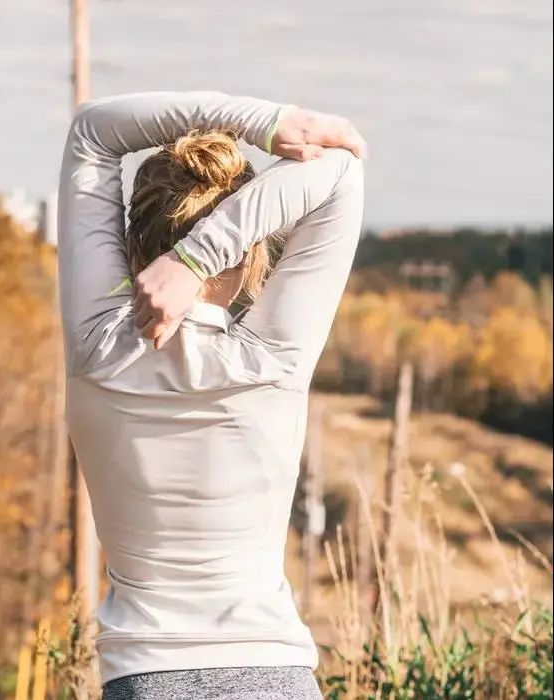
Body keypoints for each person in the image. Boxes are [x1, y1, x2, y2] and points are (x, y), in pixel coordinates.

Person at [56, 91, 366, 700]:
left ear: (130, 235)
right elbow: (341, 170)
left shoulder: (97, 352)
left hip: (145, 680)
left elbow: (93, 131)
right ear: (251, 252)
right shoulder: (271, 364)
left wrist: (262, 125)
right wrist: (197, 260)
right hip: (274, 677)